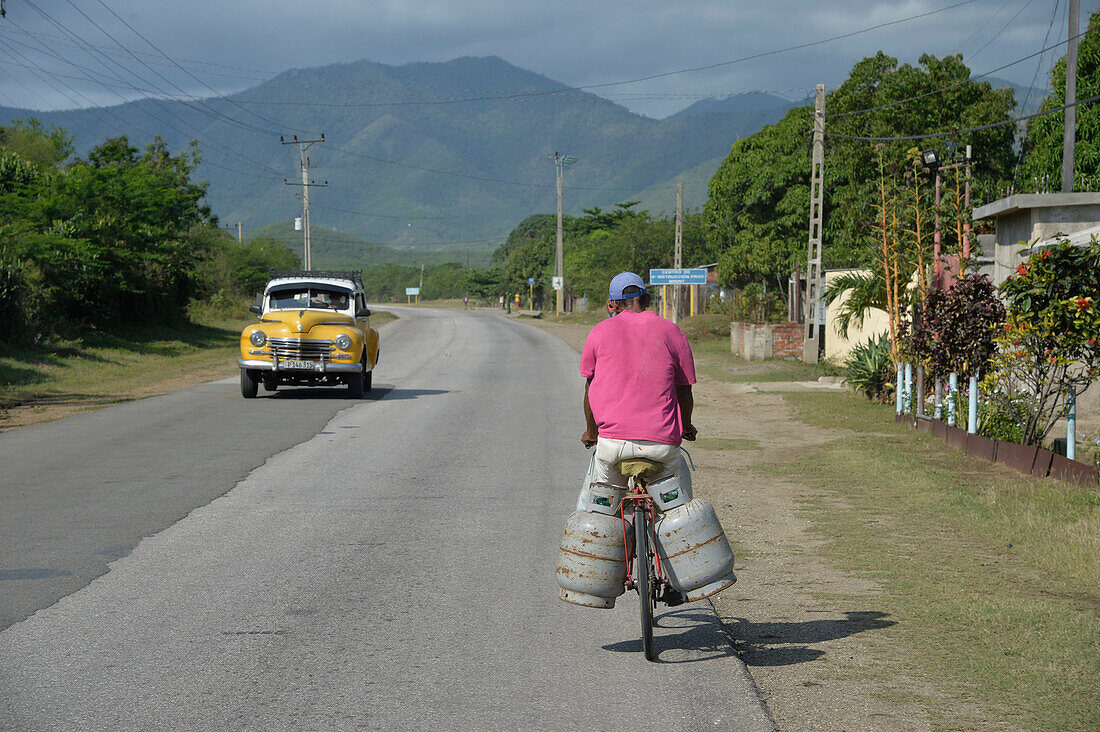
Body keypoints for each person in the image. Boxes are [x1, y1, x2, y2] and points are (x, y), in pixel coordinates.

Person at [579, 271, 697, 499]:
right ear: (648, 300)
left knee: (600, 503)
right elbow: (684, 388)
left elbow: (590, 386)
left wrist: (592, 433)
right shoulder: (672, 331)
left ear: (612, 304)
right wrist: (687, 426)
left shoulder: (599, 332)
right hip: (661, 445)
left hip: (612, 444)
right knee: (674, 506)